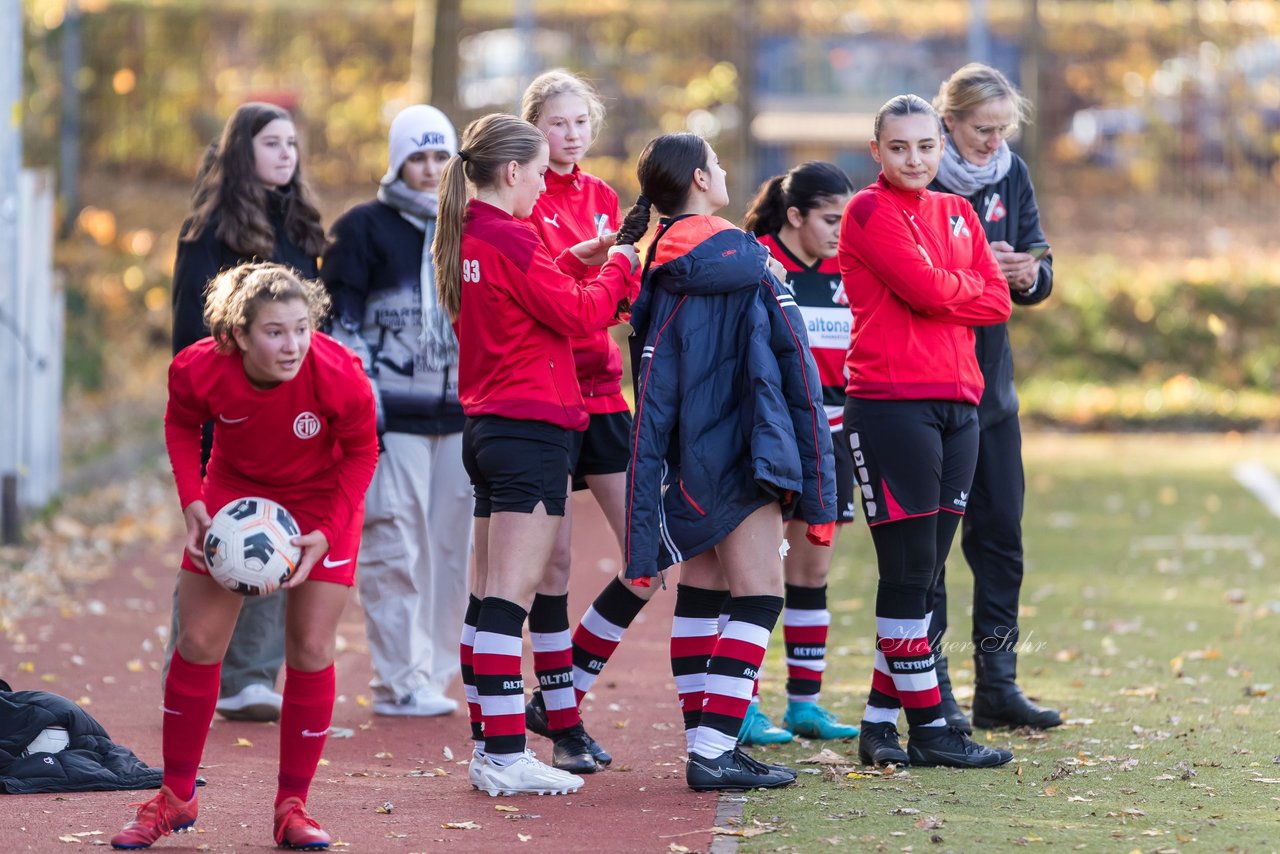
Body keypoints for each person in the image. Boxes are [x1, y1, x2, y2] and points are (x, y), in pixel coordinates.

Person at [111, 263, 378, 850]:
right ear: (236, 335)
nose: (292, 345)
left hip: (322, 502)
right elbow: (182, 424)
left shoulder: (339, 374)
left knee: (309, 646)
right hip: (235, 496)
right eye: (275, 332)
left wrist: (329, 534)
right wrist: (194, 504)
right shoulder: (199, 366)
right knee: (199, 641)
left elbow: (362, 452)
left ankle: (292, 808)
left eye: (302, 328)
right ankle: (175, 798)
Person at [616, 132, 837, 791]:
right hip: (743, 450)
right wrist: (809, 469)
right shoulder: (748, 262)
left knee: (704, 592)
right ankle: (712, 751)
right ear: (699, 180)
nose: (723, 170)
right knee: (761, 595)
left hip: (688, 453)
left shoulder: (662, 259)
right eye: (715, 162)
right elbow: (796, 372)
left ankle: (707, 746)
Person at [431, 113, 637, 797]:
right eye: (538, 170)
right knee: (509, 599)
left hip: (490, 428)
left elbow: (536, 292)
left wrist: (580, 260)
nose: (543, 186)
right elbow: (580, 316)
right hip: (531, 428)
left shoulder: (471, 235)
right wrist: (619, 266)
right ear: (513, 171)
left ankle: (491, 743)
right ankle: (503, 751)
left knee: (489, 595)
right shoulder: (512, 236)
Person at [837, 94, 1013, 769]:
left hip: (959, 406)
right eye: (899, 147)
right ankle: (933, 727)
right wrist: (956, 285)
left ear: (941, 147)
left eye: (925, 146)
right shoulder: (868, 211)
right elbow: (928, 291)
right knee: (909, 574)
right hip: (890, 406)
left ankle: (882, 724)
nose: (914, 159)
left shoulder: (959, 211)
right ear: (876, 151)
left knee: (927, 573)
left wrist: (954, 285)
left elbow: (994, 300)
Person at [166, 102, 327, 724]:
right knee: (216, 539)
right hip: (227, 414)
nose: (287, 153)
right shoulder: (208, 232)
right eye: (272, 143)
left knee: (276, 531)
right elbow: (191, 335)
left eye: (292, 143)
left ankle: (252, 678)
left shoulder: (303, 224)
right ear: (243, 152)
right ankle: (189, 666)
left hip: (293, 411)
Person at [321, 104, 472, 719]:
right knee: (394, 545)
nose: (431, 168)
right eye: (418, 156)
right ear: (396, 160)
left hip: (462, 415)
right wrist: (362, 404)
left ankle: (434, 673)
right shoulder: (361, 228)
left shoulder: (470, 226)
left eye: (441, 156)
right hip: (391, 418)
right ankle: (398, 678)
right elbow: (338, 324)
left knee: (451, 552)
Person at [928, 63, 1061, 731]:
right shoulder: (915, 173)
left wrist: (1029, 273)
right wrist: (985, 269)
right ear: (947, 121)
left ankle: (997, 686)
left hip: (993, 394)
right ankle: (934, 696)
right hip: (928, 392)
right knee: (929, 548)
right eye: (982, 129)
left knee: (1002, 537)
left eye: (1002, 129)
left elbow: (1041, 265)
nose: (993, 141)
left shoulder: (1011, 173)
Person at [517, 69, 643, 773]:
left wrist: (624, 288)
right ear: (534, 128)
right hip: (548, 394)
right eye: (558, 124)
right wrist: (603, 280)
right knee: (554, 563)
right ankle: (563, 721)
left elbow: (613, 293)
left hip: (605, 395)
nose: (570, 136)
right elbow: (555, 294)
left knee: (649, 558)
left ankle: (564, 687)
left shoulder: (602, 195)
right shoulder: (525, 197)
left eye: (579, 124)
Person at [734, 161, 861, 745]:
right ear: (794, 215)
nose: (842, 230)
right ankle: (744, 705)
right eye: (831, 219)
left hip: (829, 439)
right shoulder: (755, 261)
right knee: (756, 577)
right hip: (769, 440)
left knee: (811, 573)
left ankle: (805, 704)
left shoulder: (849, 269)